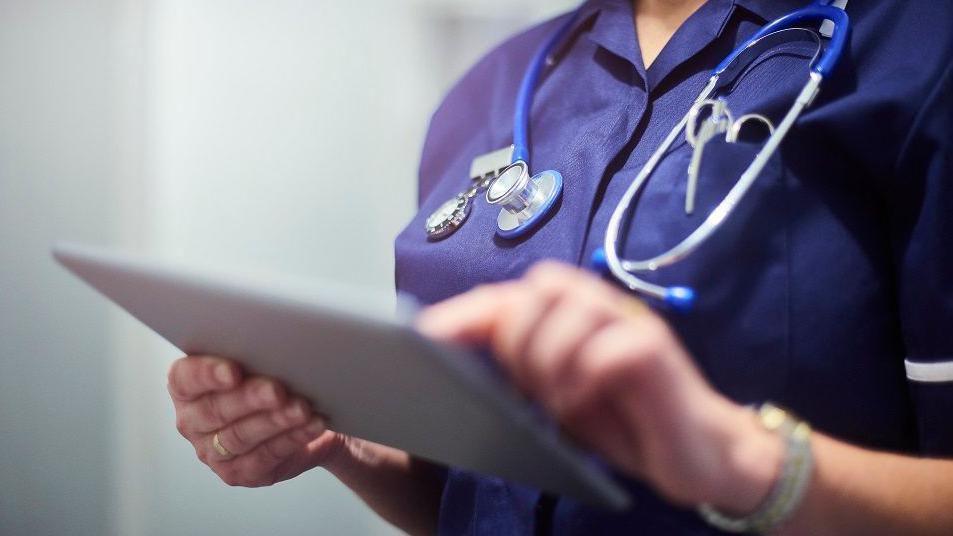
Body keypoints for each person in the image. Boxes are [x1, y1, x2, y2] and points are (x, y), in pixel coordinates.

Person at [165, 0, 953, 534]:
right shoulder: (494, 86)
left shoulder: (917, 52)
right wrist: (339, 442)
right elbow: (478, 494)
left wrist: (743, 462)